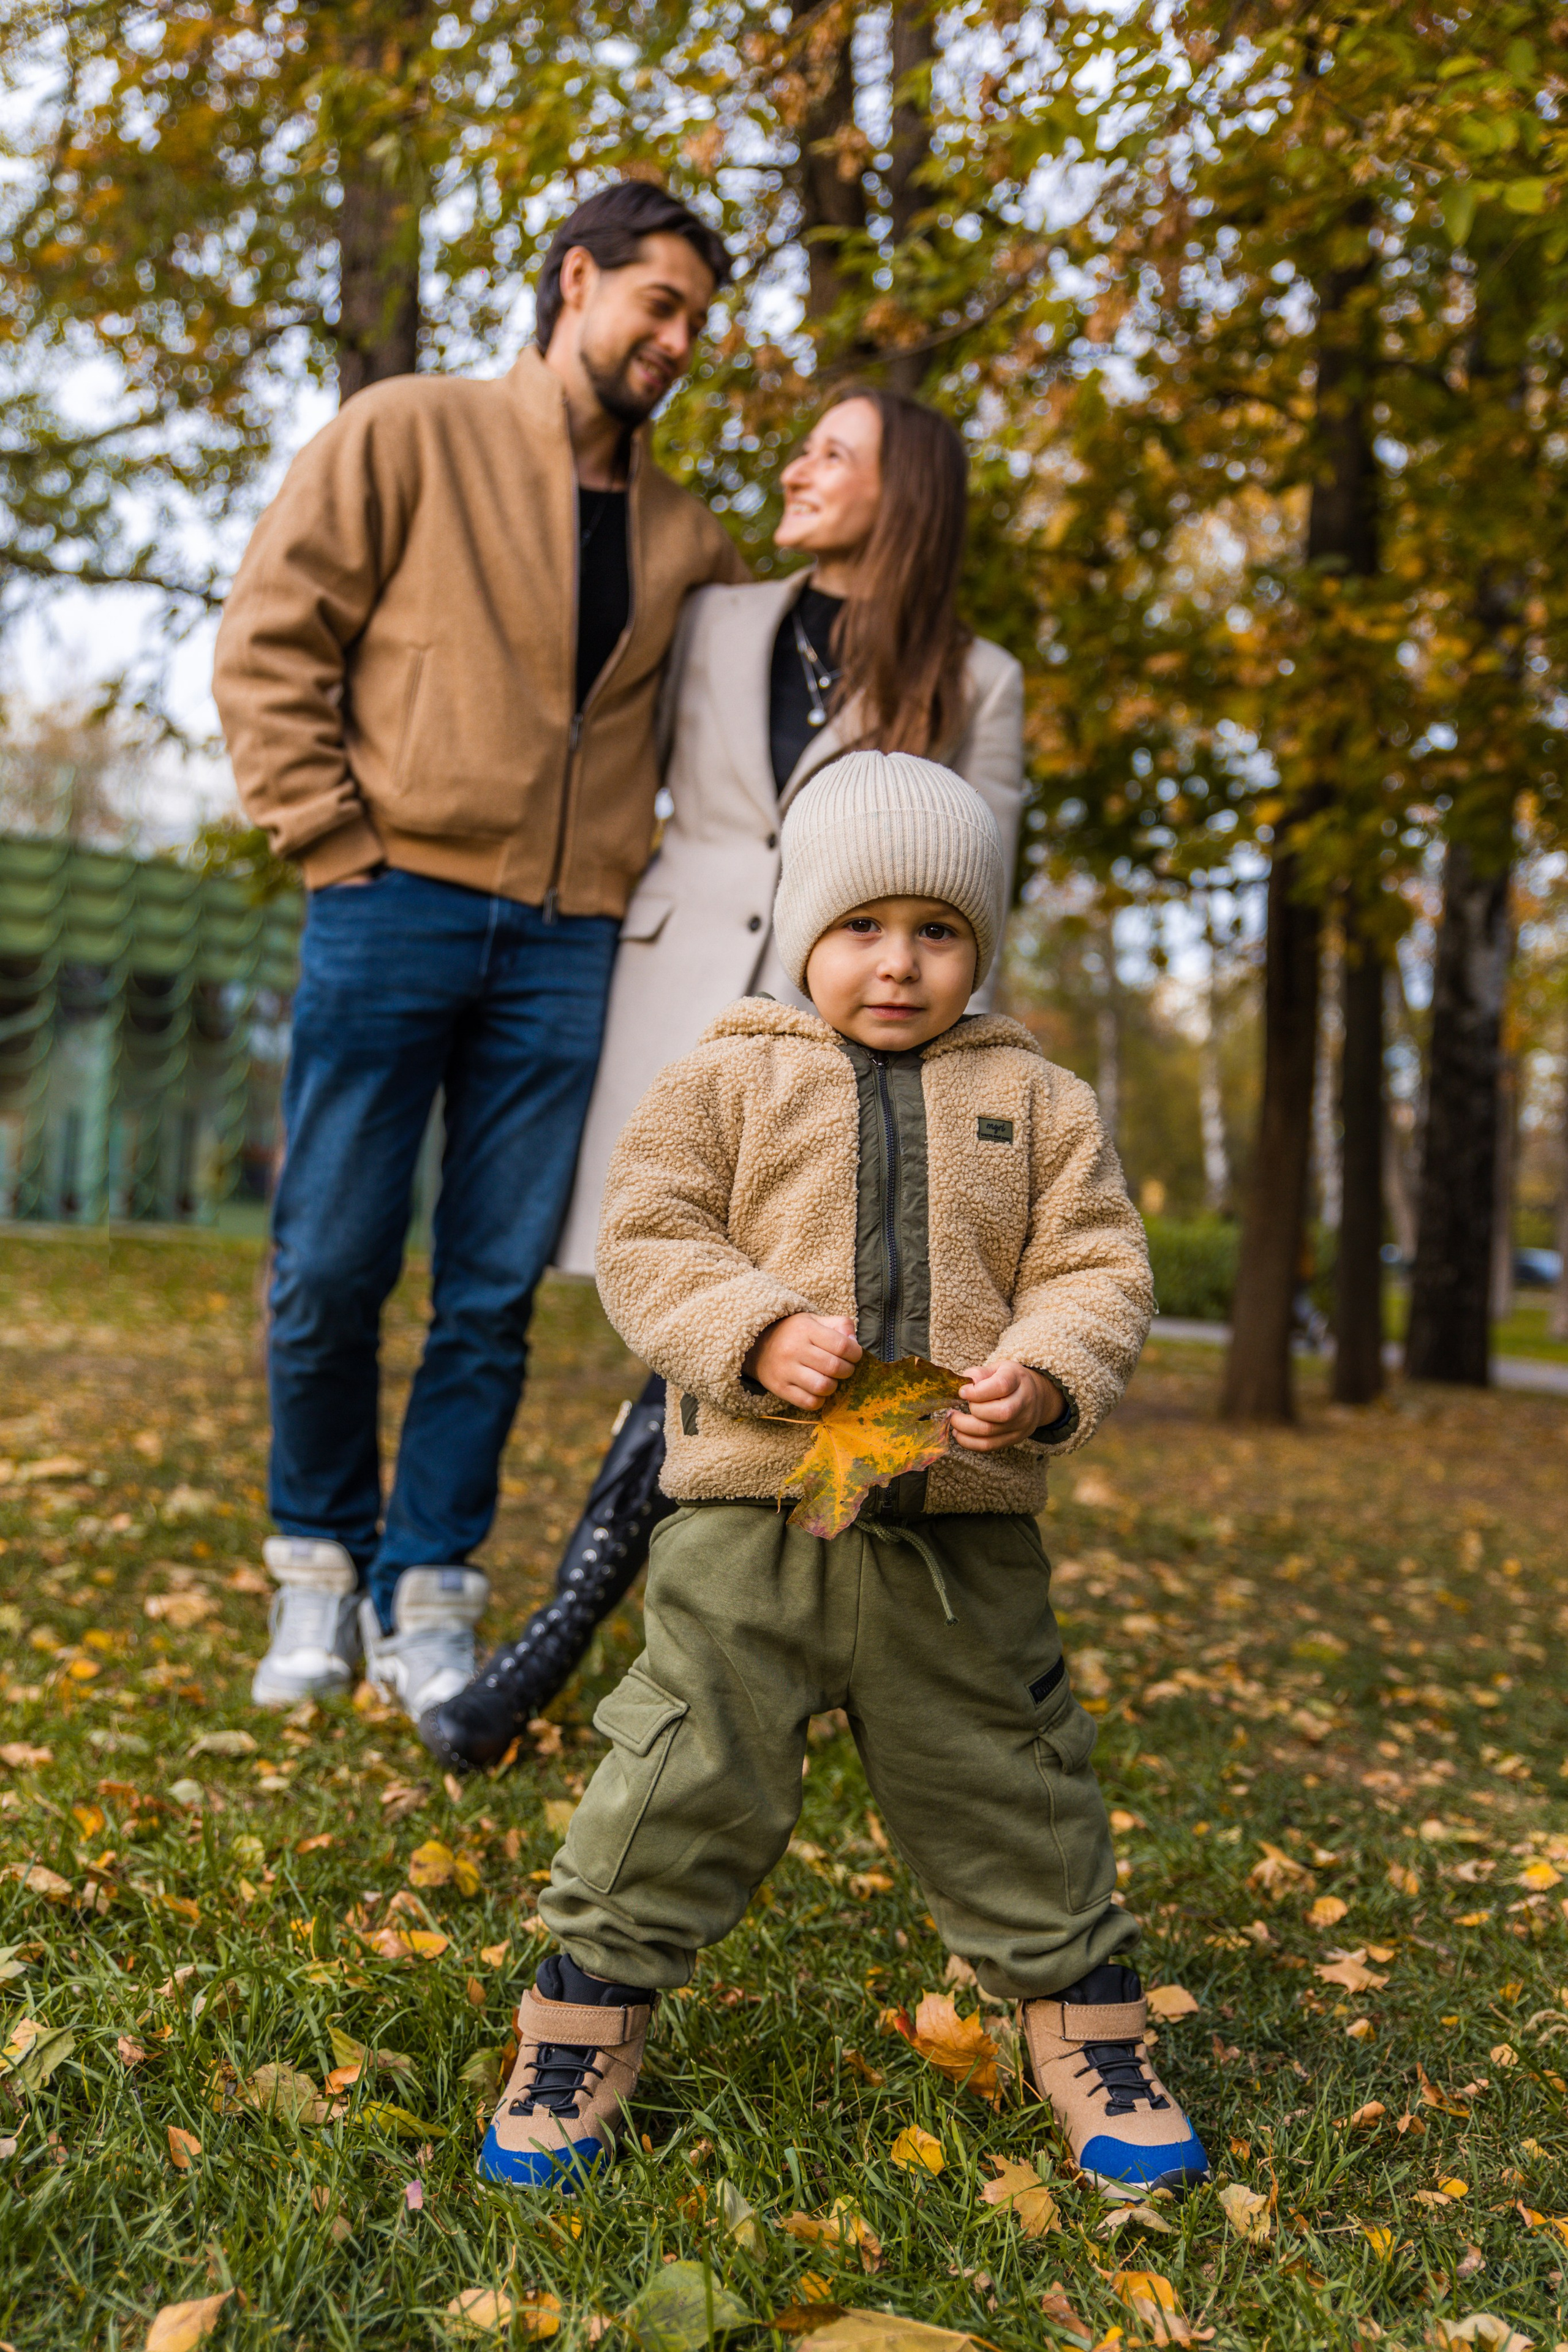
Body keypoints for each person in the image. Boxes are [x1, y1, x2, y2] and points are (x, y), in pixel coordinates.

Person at [477, 752, 1210, 2205]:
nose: (898, 963)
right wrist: (752, 1332)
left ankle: (1086, 2035)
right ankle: (577, 2031)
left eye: (936, 932)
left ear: (978, 947)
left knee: (1012, 1778)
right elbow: (650, 1240)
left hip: (959, 1544)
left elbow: (1097, 1267)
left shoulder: (1036, 1098)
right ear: (800, 931)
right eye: (861, 927)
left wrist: (1049, 1371)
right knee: (677, 1774)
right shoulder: (724, 1079)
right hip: (747, 1529)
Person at [424, 386, 1026, 1772]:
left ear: (907, 490)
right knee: (683, 1299)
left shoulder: (975, 676)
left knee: (741, 1322)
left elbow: (979, 894)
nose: (798, 464)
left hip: (846, 1054)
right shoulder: (713, 619)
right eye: (802, 441)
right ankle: (697, 1642)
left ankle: (561, 1642)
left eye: (833, 450)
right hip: (673, 1005)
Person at [212, 181, 747, 1720]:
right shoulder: (407, 431)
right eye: (659, 304)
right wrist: (331, 838)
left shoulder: (685, 537)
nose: (678, 341)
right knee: (327, 1265)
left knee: (491, 1291)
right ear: (576, 281)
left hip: (573, 941)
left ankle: (429, 1586)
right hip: (390, 899)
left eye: (697, 320)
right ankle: (316, 1570)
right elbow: (271, 635)